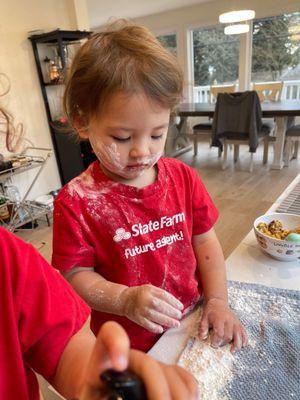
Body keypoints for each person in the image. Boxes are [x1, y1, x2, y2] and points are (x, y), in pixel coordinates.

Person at [52, 21, 248, 353]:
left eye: (157, 134)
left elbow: (205, 243)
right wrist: (124, 299)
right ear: (83, 121)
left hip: (192, 323)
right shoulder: (76, 202)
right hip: (130, 346)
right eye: (123, 137)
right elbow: (74, 276)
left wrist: (217, 300)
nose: (143, 151)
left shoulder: (183, 178)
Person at [0, 226, 197, 400]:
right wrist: (124, 299)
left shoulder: (6, 255)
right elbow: (75, 272)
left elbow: (63, 352)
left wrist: (97, 379)